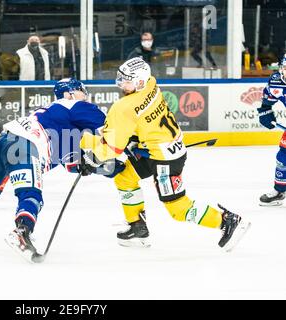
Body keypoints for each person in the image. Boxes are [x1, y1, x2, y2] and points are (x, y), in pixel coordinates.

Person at [79, 57, 250, 250]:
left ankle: (227, 221)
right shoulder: (151, 84)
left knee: (177, 209)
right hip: (157, 150)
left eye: (126, 81)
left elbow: (113, 147)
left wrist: (91, 159)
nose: (121, 84)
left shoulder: (123, 107)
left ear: (139, 82)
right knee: (125, 178)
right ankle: (137, 227)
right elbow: (140, 121)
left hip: (164, 159)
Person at [0, 78, 123, 261]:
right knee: (31, 195)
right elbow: (111, 129)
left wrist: (107, 168)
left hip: (1, 143)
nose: (85, 95)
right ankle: (21, 232)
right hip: (24, 147)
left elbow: (74, 164)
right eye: (81, 91)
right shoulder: (74, 105)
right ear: (69, 94)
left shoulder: (57, 119)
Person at [257, 54, 286, 206]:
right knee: (283, 157)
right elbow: (267, 103)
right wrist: (265, 113)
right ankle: (279, 191)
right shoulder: (277, 82)